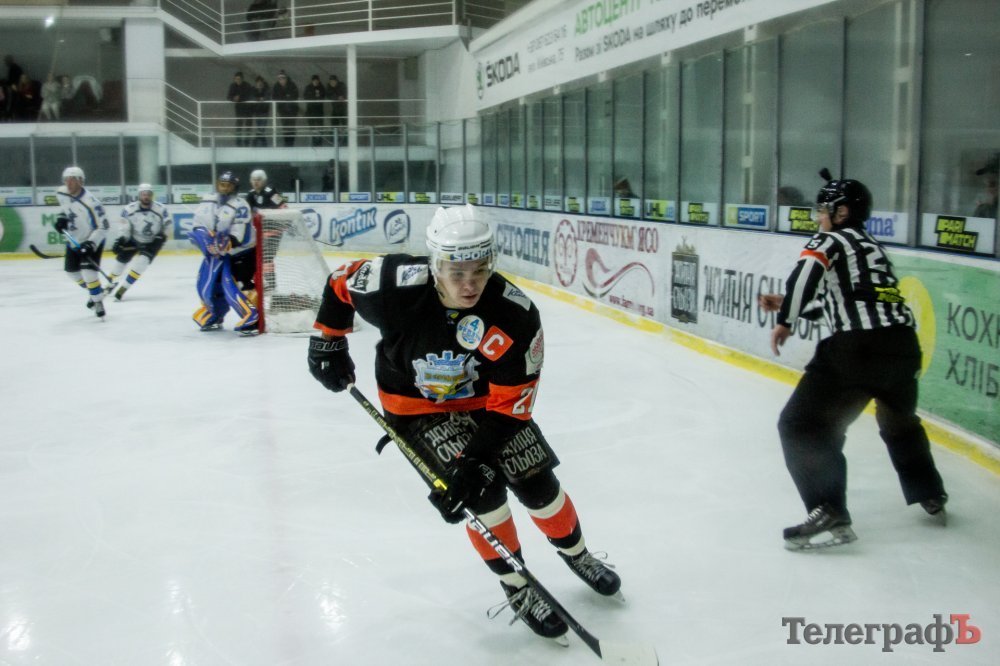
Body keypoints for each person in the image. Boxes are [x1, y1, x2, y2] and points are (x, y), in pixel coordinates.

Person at [307, 204, 622, 642]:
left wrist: (475, 459)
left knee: (538, 484)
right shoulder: (393, 285)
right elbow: (340, 283)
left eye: (479, 271)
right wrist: (328, 341)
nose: (469, 284)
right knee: (483, 499)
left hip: (489, 407)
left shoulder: (514, 314)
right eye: (456, 273)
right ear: (434, 265)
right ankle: (516, 585)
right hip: (415, 408)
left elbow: (512, 406)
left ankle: (577, 553)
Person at [759, 171, 948, 551]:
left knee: (802, 426)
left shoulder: (830, 239)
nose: (819, 217)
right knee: (899, 422)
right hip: (903, 347)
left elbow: (806, 274)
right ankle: (930, 492)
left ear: (842, 212)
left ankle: (828, 508)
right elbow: (856, 302)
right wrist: (792, 306)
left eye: (824, 210)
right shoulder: (871, 247)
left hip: (857, 351)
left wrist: (786, 319)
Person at [189, 171, 259, 334]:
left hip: (243, 253)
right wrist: (204, 237)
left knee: (239, 285)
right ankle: (215, 314)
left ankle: (255, 318)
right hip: (221, 254)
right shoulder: (208, 200)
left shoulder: (241, 204)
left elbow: (239, 235)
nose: (225, 188)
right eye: (222, 185)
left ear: (235, 187)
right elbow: (198, 224)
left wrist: (226, 242)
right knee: (213, 284)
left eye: (229, 186)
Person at [54, 166, 111, 319]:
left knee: (88, 273)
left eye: (72, 180)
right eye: (66, 180)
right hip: (74, 239)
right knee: (71, 272)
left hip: (92, 240)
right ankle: (96, 292)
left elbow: (104, 227)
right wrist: (61, 218)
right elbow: (65, 208)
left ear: (81, 181)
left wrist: (90, 244)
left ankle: (98, 302)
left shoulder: (92, 203)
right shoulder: (61, 192)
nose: (68, 183)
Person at [105, 184, 169, 301]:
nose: (146, 197)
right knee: (120, 263)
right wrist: (121, 240)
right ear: (139, 195)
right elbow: (125, 228)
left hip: (152, 242)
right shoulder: (129, 209)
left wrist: (162, 236)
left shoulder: (161, 209)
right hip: (133, 239)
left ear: (152, 195)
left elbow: (168, 225)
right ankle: (110, 283)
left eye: (148, 194)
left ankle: (123, 288)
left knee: (141, 263)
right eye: (143, 194)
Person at [271, 70, 298, 148]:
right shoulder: (276, 86)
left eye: (283, 78)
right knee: (285, 127)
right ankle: (286, 142)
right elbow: (274, 97)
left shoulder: (292, 85)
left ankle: (291, 143)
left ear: (286, 78)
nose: (281, 80)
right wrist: (285, 97)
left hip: (292, 110)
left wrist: (285, 98)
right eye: (280, 79)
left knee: (291, 127)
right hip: (282, 110)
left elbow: (295, 95)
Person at [227, 71, 254, 147]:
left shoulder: (247, 85)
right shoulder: (233, 86)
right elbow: (228, 96)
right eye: (236, 79)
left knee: (248, 125)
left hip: (248, 108)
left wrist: (239, 98)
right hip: (239, 108)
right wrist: (233, 98)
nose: (237, 80)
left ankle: (247, 141)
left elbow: (249, 96)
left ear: (242, 79)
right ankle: (238, 142)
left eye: (239, 79)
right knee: (239, 124)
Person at [303, 74, 326, 147]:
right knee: (312, 127)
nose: (315, 82)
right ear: (312, 81)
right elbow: (305, 97)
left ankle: (320, 142)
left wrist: (316, 99)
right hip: (310, 111)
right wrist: (314, 99)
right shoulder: (308, 87)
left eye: (317, 80)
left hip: (319, 111)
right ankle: (313, 141)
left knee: (320, 127)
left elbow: (322, 97)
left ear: (318, 81)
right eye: (314, 80)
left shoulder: (321, 88)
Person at [250, 76, 270, 147]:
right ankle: (262, 145)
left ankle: (256, 143)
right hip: (257, 112)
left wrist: (263, 99)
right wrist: (259, 99)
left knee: (262, 129)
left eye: (261, 82)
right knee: (260, 129)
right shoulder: (253, 89)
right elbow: (251, 97)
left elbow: (268, 97)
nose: (259, 84)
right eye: (258, 83)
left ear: (263, 83)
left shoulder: (266, 89)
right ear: (256, 83)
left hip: (264, 111)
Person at [326, 74, 346, 143]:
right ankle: (334, 140)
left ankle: (346, 139)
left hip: (343, 108)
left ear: (337, 81)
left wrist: (343, 97)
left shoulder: (342, 85)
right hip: (335, 108)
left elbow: (346, 93)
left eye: (334, 81)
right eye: (331, 81)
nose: (332, 83)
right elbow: (328, 95)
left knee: (345, 124)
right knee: (334, 124)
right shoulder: (329, 87)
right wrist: (337, 97)